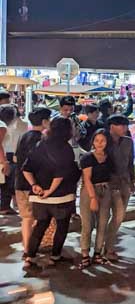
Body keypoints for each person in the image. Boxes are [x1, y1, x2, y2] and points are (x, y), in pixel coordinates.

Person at [22, 117, 81, 269]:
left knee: (40, 226)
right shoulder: (65, 148)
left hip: (39, 198)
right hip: (60, 196)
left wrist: (35, 185)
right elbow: (60, 174)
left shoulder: (39, 145)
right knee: (61, 227)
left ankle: (30, 257)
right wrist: (49, 191)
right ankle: (55, 256)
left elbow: (27, 169)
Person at [14, 107, 51, 255]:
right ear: (44, 122)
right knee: (33, 218)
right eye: (49, 120)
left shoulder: (24, 136)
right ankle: (30, 250)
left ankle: (27, 248)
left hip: (20, 183)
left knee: (26, 218)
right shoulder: (40, 139)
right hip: (34, 184)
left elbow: (17, 158)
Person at [78, 129, 114, 269]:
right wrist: (93, 197)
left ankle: (98, 253)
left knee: (103, 223)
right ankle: (85, 255)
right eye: (97, 140)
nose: (100, 144)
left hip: (105, 190)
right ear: (93, 141)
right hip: (89, 191)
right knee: (87, 224)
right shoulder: (87, 157)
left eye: (103, 141)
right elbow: (86, 179)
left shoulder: (109, 157)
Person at [104, 114, 135, 262]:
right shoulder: (102, 141)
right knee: (103, 218)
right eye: (121, 125)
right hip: (107, 184)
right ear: (112, 127)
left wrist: (133, 181)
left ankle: (109, 247)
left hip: (124, 183)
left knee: (118, 217)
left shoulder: (128, 142)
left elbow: (130, 163)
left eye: (126, 126)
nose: (124, 129)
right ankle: (99, 248)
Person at [0, 105, 19, 214]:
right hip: (3, 157)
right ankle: (4, 207)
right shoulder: (2, 126)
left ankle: (4, 206)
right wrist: (4, 161)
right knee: (6, 182)